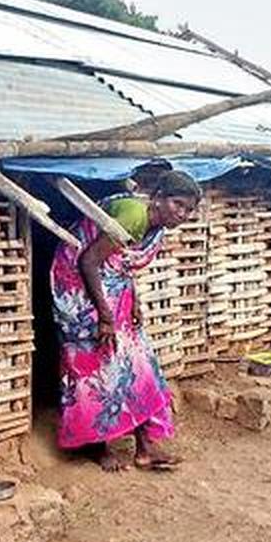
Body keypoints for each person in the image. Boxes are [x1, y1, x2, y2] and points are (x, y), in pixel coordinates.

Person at [50, 170, 204, 471]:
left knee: (139, 363)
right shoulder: (135, 215)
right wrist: (105, 317)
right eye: (177, 203)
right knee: (94, 366)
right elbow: (89, 261)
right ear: (158, 197)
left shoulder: (155, 225)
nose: (182, 214)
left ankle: (145, 449)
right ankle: (98, 446)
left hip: (110, 289)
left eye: (188, 209)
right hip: (79, 289)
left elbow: (122, 262)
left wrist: (133, 299)